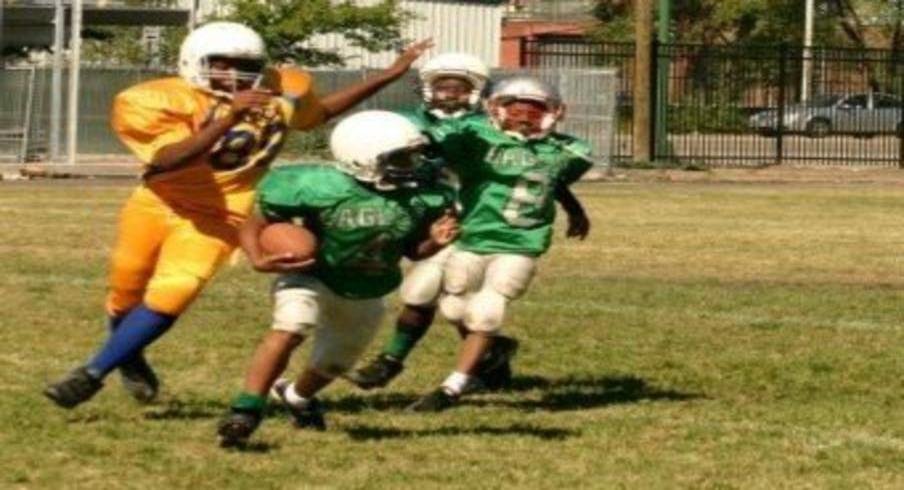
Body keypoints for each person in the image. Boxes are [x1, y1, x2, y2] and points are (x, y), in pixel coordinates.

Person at [43, 21, 432, 409]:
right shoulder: (156, 98)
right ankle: (127, 354)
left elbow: (318, 113)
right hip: (160, 201)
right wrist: (229, 118)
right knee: (126, 292)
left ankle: (91, 374)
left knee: (176, 290)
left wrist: (389, 74)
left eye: (244, 65)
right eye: (221, 64)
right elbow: (167, 160)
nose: (233, 74)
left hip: (225, 210)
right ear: (194, 61)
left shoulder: (283, 86)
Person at [347, 56, 589, 392]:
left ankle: (402, 361)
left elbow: (537, 172)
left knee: (443, 296)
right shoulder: (408, 122)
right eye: (441, 86)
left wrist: (572, 207)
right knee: (426, 295)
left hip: (471, 219)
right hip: (432, 214)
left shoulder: (487, 126)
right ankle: (485, 356)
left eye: (459, 88)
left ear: (478, 92)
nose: (449, 94)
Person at [217, 110, 458, 447]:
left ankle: (298, 397)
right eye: (401, 158)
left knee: (334, 363)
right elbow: (256, 221)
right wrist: (258, 256)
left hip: (367, 289)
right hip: (313, 274)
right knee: (291, 327)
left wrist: (435, 241)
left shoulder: (421, 196)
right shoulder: (319, 187)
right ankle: (245, 410)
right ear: (361, 159)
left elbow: (414, 252)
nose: (413, 164)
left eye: (414, 156)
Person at [406, 75, 594, 411]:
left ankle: (452, 387)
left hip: (519, 243)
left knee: (486, 311)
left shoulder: (567, 150)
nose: (523, 117)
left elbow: (549, 179)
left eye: (533, 111)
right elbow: (434, 142)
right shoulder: (477, 138)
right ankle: (494, 354)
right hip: (472, 237)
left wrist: (573, 207)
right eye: (514, 109)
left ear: (553, 113)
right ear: (494, 109)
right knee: (453, 308)